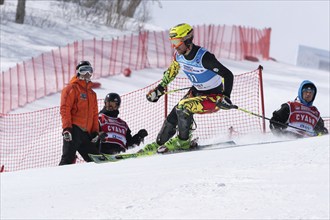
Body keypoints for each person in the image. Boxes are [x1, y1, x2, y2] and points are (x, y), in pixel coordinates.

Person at [140, 23, 234, 153]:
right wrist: (159, 89)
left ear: (187, 40)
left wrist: (226, 96)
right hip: (196, 93)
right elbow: (171, 72)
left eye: (177, 42)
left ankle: (183, 141)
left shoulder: (204, 57)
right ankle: (158, 144)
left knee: (183, 107)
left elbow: (228, 74)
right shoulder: (178, 56)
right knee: (173, 116)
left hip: (214, 97)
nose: (174, 46)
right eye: (173, 42)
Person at [59, 61, 100, 165]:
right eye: (83, 70)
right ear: (78, 72)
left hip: (85, 133)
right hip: (74, 130)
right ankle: (57, 179)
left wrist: (95, 131)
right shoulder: (71, 88)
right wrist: (67, 128)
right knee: (67, 159)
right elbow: (65, 109)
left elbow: (95, 114)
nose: (87, 73)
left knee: (96, 159)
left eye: (89, 70)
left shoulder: (92, 94)